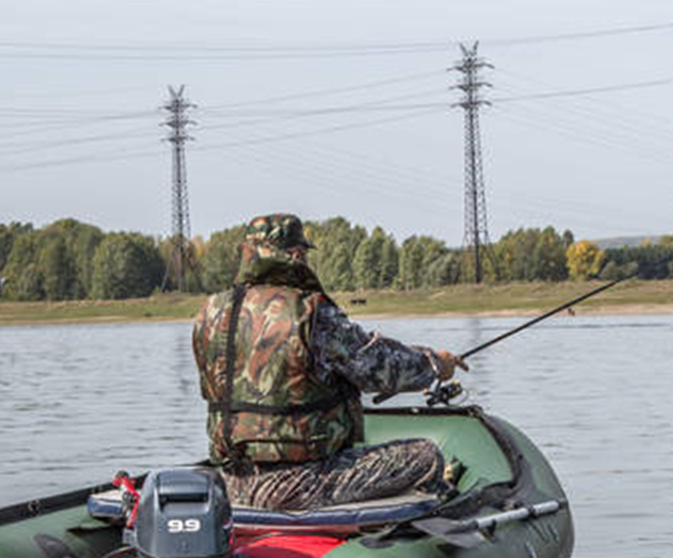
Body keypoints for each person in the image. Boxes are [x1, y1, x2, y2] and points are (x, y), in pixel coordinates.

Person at [191, 213, 469, 512]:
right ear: (296, 255)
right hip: (298, 484)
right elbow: (379, 367)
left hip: (230, 481)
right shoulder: (309, 311)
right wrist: (435, 364)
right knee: (426, 456)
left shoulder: (212, 310)